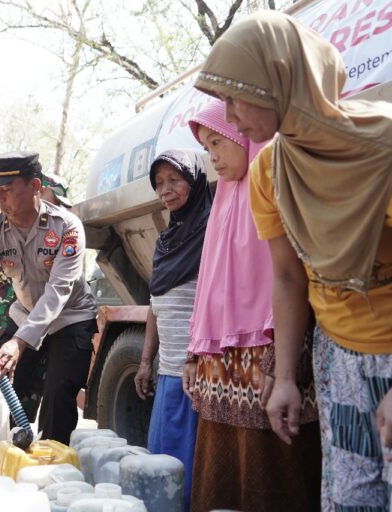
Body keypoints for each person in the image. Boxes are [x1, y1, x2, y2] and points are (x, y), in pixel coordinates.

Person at [193, 11, 392, 509]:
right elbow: (287, 276)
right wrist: (284, 377)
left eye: (236, 96)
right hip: (337, 356)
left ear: (279, 80)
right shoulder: (270, 171)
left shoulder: (383, 149)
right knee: (351, 499)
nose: (230, 116)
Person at [181, 98, 321, 512]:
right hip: (220, 366)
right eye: (206, 148)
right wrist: (194, 353)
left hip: (270, 358)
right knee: (220, 471)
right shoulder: (223, 202)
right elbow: (208, 286)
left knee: (271, 470)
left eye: (217, 143)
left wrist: (280, 362)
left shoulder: (274, 183)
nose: (213, 158)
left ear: (242, 136)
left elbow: (291, 276)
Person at [0, 151, 97, 444]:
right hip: (25, 314)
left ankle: (54, 460)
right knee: (9, 388)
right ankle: (13, 455)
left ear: (35, 186)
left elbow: (58, 292)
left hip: (70, 318)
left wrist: (19, 342)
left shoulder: (67, 227)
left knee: (57, 393)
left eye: (7, 189)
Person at [134, 149, 212, 510]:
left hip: (198, 373)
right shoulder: (166, 240)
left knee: (191, 472)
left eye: (174, 180)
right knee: (161, 467)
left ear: (194, 181)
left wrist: (196, 358)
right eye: (159, 182)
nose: (165, 189)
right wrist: (145, 361)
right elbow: (156, 302)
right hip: (168, 374)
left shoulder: (213, 230)